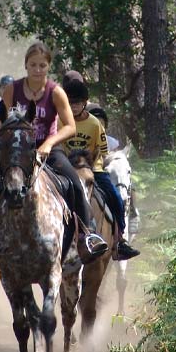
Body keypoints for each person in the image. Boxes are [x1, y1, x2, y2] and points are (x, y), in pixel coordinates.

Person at [0, 42, 108, 265]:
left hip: (49, 148)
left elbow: (70, 127)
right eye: (33, 65)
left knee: (75, 183)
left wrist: (49, 143)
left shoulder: (56, 92)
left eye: (42, 65)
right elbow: (6, 120)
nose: (37, 69)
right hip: (19, 150)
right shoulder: (13, 89)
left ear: (48, 66)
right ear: (26, 65)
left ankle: (87, 236)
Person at [61, 79, 139, 260]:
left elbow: (103, 152)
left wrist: (91, 162)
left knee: (116, 198)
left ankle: (120, 241)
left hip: (93, 169)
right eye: (70, 103)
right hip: (66, 168)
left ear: (84, 103)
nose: (73, 107)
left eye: (77, 103)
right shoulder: (60, 121)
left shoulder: (94, 124)